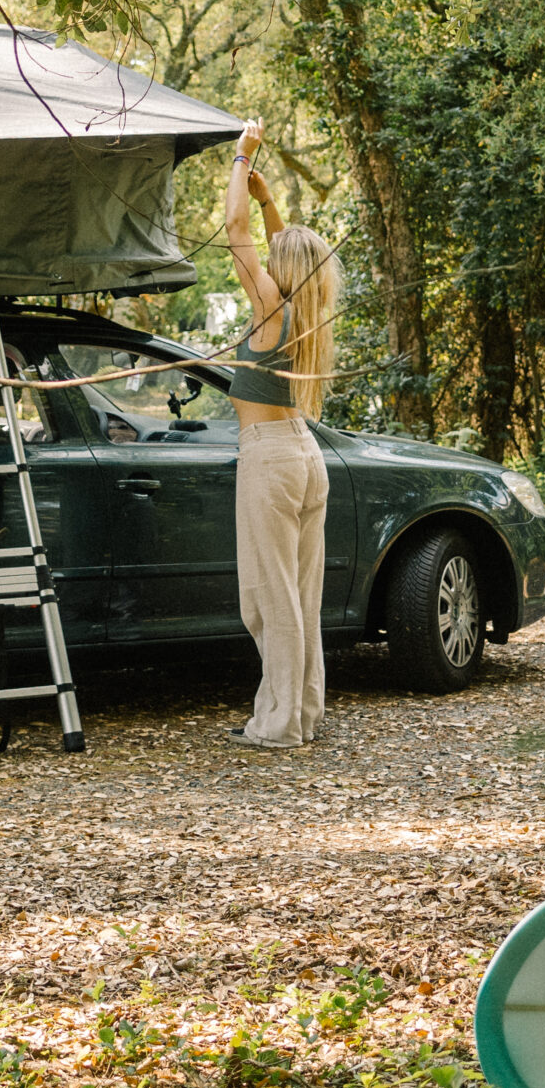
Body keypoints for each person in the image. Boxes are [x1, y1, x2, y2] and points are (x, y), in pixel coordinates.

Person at [222, 120, 343, 749]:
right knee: (299, 596)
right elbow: (275, 246)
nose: (262, 267)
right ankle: (302, 712)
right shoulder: (307, 311)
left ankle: (280, 725)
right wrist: (272, 200)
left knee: (269, 599)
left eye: (274, 264)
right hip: (303, 455)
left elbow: (236, 234)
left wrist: (242, 159)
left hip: (270, 461)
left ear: (281, 272)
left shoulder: (272, 309)